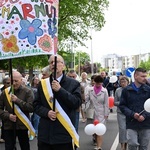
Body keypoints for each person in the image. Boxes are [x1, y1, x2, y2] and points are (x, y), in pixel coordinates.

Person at [33, 54, 81, 150]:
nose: (53, 64)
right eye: (51, 62)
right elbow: (36, 105)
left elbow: (76, 103)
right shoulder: (42, 84)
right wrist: (47, 112)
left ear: (63, 65)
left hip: (64, 135)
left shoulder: (74, 83)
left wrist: (60, 90)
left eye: (57, 62)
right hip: (45, 135)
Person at [0, 71, 34, 150]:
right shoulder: (5, 93)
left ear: (21, 80)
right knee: (9, 147)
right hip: (9, 126)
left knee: (24, 146)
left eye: (16, 81)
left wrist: (17, 100)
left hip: (22, 125)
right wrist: (8, 116)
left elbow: (31, 108)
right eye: (12, 81)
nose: (14, 83)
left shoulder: (27, 92)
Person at [119, 68, 150, 150]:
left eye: (145, 76)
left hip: (145, 123)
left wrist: (145, 115)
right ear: (135, 76)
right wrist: (133, 114)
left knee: (144, 147)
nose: (145, 78)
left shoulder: (148, 90)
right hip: (132, 123)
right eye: (142, 76)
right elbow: (122, 106)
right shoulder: (126, 90)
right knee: (132, 144)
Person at [85, 75, 109, 150]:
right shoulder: (90, 90)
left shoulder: (104, 91)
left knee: (99, 129)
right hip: (92, 111)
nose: (98, 85)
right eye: (97, 83)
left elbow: (106, 103)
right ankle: (95, 140)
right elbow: (86, 100)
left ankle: (99, 147)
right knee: (93, 130)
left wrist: (106, 114)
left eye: (100, 84)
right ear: (94, 82)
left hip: (101, 112)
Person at [114, 76, 129, 150]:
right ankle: (122, 145)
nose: (123, 83)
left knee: (128, 129)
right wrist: (122, 103)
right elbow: (115, 102)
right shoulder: (118, 90)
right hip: (120, 112)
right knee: (122, 129)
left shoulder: (131, 90)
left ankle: (126, 144)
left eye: (124, 82)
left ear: (128, 82)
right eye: (121, 82)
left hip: (129, 113)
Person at [0, 76, 11, 143]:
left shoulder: (12, 90)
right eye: (8, 83)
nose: (9, 84)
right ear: (4, 83)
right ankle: (3, 137)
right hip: (4, 112)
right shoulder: (2, 91)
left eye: (10, 83)